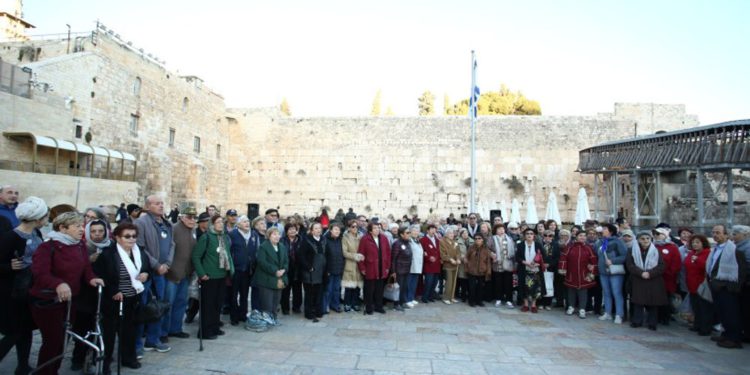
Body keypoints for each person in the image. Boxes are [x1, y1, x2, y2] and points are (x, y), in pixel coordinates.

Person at [29, 212, 104, 375]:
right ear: (62, 228)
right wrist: (58, 283)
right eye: (77, 226)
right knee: (52, 341)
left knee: (63, 341)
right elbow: (40, 273)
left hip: (70, 301)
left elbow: (86, 269)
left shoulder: (79, 245)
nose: (81, 229)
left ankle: (53, 370)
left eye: (82, 225)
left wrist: (92, 279)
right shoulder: (47, 246)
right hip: (48, 301)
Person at [93, 223, 151, 373]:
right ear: (117, 238)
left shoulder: (139, 252)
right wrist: (113, 290)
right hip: (114, 299)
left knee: (129, 331)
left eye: (134, 236)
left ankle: (128, 358)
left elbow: (146, 267)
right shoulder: (108, 254)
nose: (131, 239)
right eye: (127, 236)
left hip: (133, 298)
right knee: (109, 333)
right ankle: (104, 363)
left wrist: (145, 274)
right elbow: (100, 275)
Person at [0, 197, 47, 375]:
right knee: (13, 332)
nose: (46, 220)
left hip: (30, 291)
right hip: (11, 293)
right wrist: (7, 267)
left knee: (26, 330)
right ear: (37, 218)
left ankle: (22, 366)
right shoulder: (10, 237)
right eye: (44, 216)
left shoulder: (37, 234)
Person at [134, 195, 174, 354]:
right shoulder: (141, 223)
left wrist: (167, 264)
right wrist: (156, 265)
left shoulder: (166, 223)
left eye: (162, 203)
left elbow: (172, 244)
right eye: (157, 203)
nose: (161, 206)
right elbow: (140, 248)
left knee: (158, 307)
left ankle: (153, 340)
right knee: (143, 307)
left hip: (162, 272)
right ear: (148, 206)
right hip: (147, 272)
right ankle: (137, 344)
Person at [71, 219, 111, 369]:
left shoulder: (110, 247)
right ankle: (77, 358)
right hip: (85, 295)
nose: (97, 235)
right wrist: (89, 261)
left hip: (104, 294)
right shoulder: (81, 248)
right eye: (93, 231)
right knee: (82, 328)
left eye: (101, 231)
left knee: (100, 328)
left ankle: (97, 357)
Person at [192, 215, 234, 340]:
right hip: (209, 277)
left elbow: (228, 255)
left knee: (217, 304)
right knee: (208, 305)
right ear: (212, 224)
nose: (221, 224)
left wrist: (231, 270)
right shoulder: (206, 238)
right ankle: (205, 331)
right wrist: (201, 273)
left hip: (222, 275)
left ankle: (215, 327)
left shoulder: (224, 237)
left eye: (222, 222)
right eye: (218, 222)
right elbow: (196, 256)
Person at [707, 225, 746, 349]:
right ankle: (726, 334)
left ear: (726, 235)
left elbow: (741, 271)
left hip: (727, 288)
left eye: (718, 232)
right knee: (722, 312)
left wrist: (732, 288)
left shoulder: (734, 251)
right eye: (713, 232)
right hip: (716, 286)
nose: (715, 235)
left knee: (731, 314)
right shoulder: (715, 249)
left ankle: (734, 338)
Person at [164, 207, 197, 338]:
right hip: (173, 273)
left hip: (186, 273)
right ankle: (163, 332)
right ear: (182, 217)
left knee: (181, 302)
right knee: (168, 304)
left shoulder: (192, 230)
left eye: (194, 217)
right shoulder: (174, 229)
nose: (192, 220)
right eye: (189, 217)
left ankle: (176, 328)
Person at [627, 231, 668, 331]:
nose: (645, 240)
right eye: (642, 238)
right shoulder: (632, 250)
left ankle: (652, 322)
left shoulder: (656, 251)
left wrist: (650, 273)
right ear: (638, 240)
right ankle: (637, 321)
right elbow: (630, 265)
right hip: (638, 279)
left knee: (653, 302)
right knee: (638, 302)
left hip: (653, 280)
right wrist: (641, 272)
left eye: (647, 238)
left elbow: (661, 265)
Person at [252, 227, 288, 324]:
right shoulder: (264, 246)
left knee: (276, 302)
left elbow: (286, 261)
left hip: (279, 278)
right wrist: (275, 271)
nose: (277, 236)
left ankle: (274, 318)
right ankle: (267, 320)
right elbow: (262, 262)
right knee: (267, 303)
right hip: (266, 279)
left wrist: (284, 269)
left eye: (278, 234)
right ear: (269, 236)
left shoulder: (282, 246)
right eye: (274, 234)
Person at [559, 231, 597, 319]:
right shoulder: (570, 247)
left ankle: (582, 309)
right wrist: (563, 269)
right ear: (576, 237)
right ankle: (571, 307)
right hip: (571, 273)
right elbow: (563, 258)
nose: (582, 237)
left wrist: (592, 272)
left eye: (584, 236)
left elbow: (594, 261)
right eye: (580, 235)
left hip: (584, 273)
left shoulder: (589, 248)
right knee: (571, 291)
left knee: (583, 292)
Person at [358, 222, 391, 315]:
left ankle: (378, 306)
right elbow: (361, 254)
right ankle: (368, 307)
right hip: (370, 267)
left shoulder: (384, 238)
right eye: (375, 228)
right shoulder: (365, 239)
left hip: (382, 267)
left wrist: (387, 267)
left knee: (379, 289)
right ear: (370, 230)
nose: (378, 229)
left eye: (379, 228)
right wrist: (362, 268)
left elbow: (388, 253)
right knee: (369, 289)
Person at [228, 215, 256, 325]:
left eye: (248, 221)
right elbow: (229, 251)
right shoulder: (232, 235)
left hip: (247, 270)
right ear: (238, 224)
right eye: (244, 222)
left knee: (244, 294)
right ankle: (234, 317)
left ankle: (243, 315)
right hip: (236, 269)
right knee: (233, 295)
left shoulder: (253, 234)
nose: (247, 223)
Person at [597, 223, 627, 324]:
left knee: (616, 293)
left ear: (610, 231)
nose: (602, 230)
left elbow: (624, 256)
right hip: (603, 271)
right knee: (606, 293)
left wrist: (613, 261)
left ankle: (619, 314)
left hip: (615, 272)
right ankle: (608, 313)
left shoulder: (618, 242)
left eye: (605, 229)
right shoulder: (600, 242)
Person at [684, 234, 712, 336]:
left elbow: (707, 267)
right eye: (693, 243)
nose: (695, 245)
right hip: (691, 284)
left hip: (701, 284)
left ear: (703, 243)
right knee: (696, 307)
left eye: (697, 242)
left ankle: (705, 328)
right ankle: (697, 324)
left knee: (704, 308)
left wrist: (698, 260)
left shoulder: (707, 253)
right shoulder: (691, 253)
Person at [653, 227, 681, 326]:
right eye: (655, 234)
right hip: (654, 277)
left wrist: (669, 273)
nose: (656, 236)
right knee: (655, 298)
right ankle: (656, 316)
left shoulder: (672, 247)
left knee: (666, 298)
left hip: (667, 278)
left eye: (659, 234)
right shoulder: (653, 246)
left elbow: (676, 263)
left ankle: (665, 317)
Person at [300, 222, 326, 321]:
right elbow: (301, 256)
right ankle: (309, 313)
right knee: (310, 294)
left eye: (319, 228)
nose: (318, 230)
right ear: (311, 230)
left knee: (319, 292)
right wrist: (308, 267)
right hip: (310, 272)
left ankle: (318, 311)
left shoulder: (323, 240)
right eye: (315, 228)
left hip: (320, 271)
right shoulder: (306, 241)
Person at [732, 225, 750, 343]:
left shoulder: (747, 248)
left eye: (735, 234)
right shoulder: (737, 247)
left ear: (744, 234)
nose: (733, 236)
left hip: (746, 283)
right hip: (739, 282)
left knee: (746, 310)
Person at [342, 220, 364, 312]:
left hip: (359, 264)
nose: (355, 228)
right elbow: (344, 252)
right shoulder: (345, 238)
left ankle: (355, 303)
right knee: (349, 286)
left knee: (357, 286)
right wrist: (355, 256)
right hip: (349, 264)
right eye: (353, 226)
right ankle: (347, 303)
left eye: (356, 226)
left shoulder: (361, 237)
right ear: (349, 228)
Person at [280, 224, 302, 314]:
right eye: (290, 229)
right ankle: (285, 308)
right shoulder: (282, 240)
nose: (292, 231)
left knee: (297, 289)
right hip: (286, 267)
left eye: (294, 229)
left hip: (298, 267)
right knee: (285, 289)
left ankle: (296, 307)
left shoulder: (301, 240)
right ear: (286, 231)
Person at [322, 224, 344, 313]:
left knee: (336, 289)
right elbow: (324, 256)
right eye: (335, 229)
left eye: (338, 230)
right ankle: (326, 305)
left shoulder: (340, 240)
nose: (337, 231)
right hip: (329, 269)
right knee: (328, 289)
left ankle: (335, 305)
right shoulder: (325, 240)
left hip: (338, 268)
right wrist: (326, 269)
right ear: (330, 230)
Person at [465, 235, 492, 307]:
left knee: (480, 287)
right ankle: (471, 301)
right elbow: (466, 257)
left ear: (482, 239)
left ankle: (479, 301)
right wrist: (468, 267)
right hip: (472, 271)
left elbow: (488, 261)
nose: (477, 240)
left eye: (479, 238)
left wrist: (488, 271)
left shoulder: (486, 249)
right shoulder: (471, 247)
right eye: (476, 238)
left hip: (482, 270)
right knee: (472, 287)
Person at [390, 227, 413, 311]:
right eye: (407, 233)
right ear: (401, 234)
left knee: (404, 287)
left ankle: (402, 302)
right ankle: (396, 304)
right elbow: (393, 259)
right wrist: (393, 271)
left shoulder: (407, 243)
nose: (409, 234)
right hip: (399, 270)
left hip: (406, 269)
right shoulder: (397, 243)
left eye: (409, 232)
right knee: (398, 288)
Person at [539, 229, 561, 311]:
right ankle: (541, 303)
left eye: (550, 235)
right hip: (540, 268)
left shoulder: (556, 245)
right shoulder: (540, 244)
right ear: (543, 236)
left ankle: (548, 303)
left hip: (551, 268)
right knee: (541, 285)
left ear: (553, 237)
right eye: (545, 235)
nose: (548, 237)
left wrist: (550, 264)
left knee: (550, 286)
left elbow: (557, 258)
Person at [439, 226, 461, 304]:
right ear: (446, 234)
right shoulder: (442, 242)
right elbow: (443, 254)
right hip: (448, 265)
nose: (452, 235)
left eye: (452, 233)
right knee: (449, 282)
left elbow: (458, 252)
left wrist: (458, 259)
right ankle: (446, 297)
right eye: (450, 233)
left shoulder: (455, 242)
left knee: (454, 282)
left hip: (455, 265)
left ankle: (452, 297)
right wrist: (450, 259)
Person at [420, 224, 440, 303]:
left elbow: (439, 251)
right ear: (427, 230)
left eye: (434, 229)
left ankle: (431, 296)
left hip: (437, 264)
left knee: (435, 282)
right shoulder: (423, 240)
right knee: (428, 282)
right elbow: (422, 252)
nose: (433, 230)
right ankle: (425, 297)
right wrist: (428, 258)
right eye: (431, 229)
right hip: (428, 265)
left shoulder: (437, 240)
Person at [455, 228, 473, 303]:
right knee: (462, 280)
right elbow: (456, 252)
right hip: (462, 264)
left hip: (471, 263)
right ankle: (463, 296)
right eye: (463, 233)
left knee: (469, 279)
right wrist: (462, 257)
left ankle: (469, 295)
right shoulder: (457, 242)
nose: (465, 234)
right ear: (461, 234)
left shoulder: (472, 241)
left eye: (466, 233)